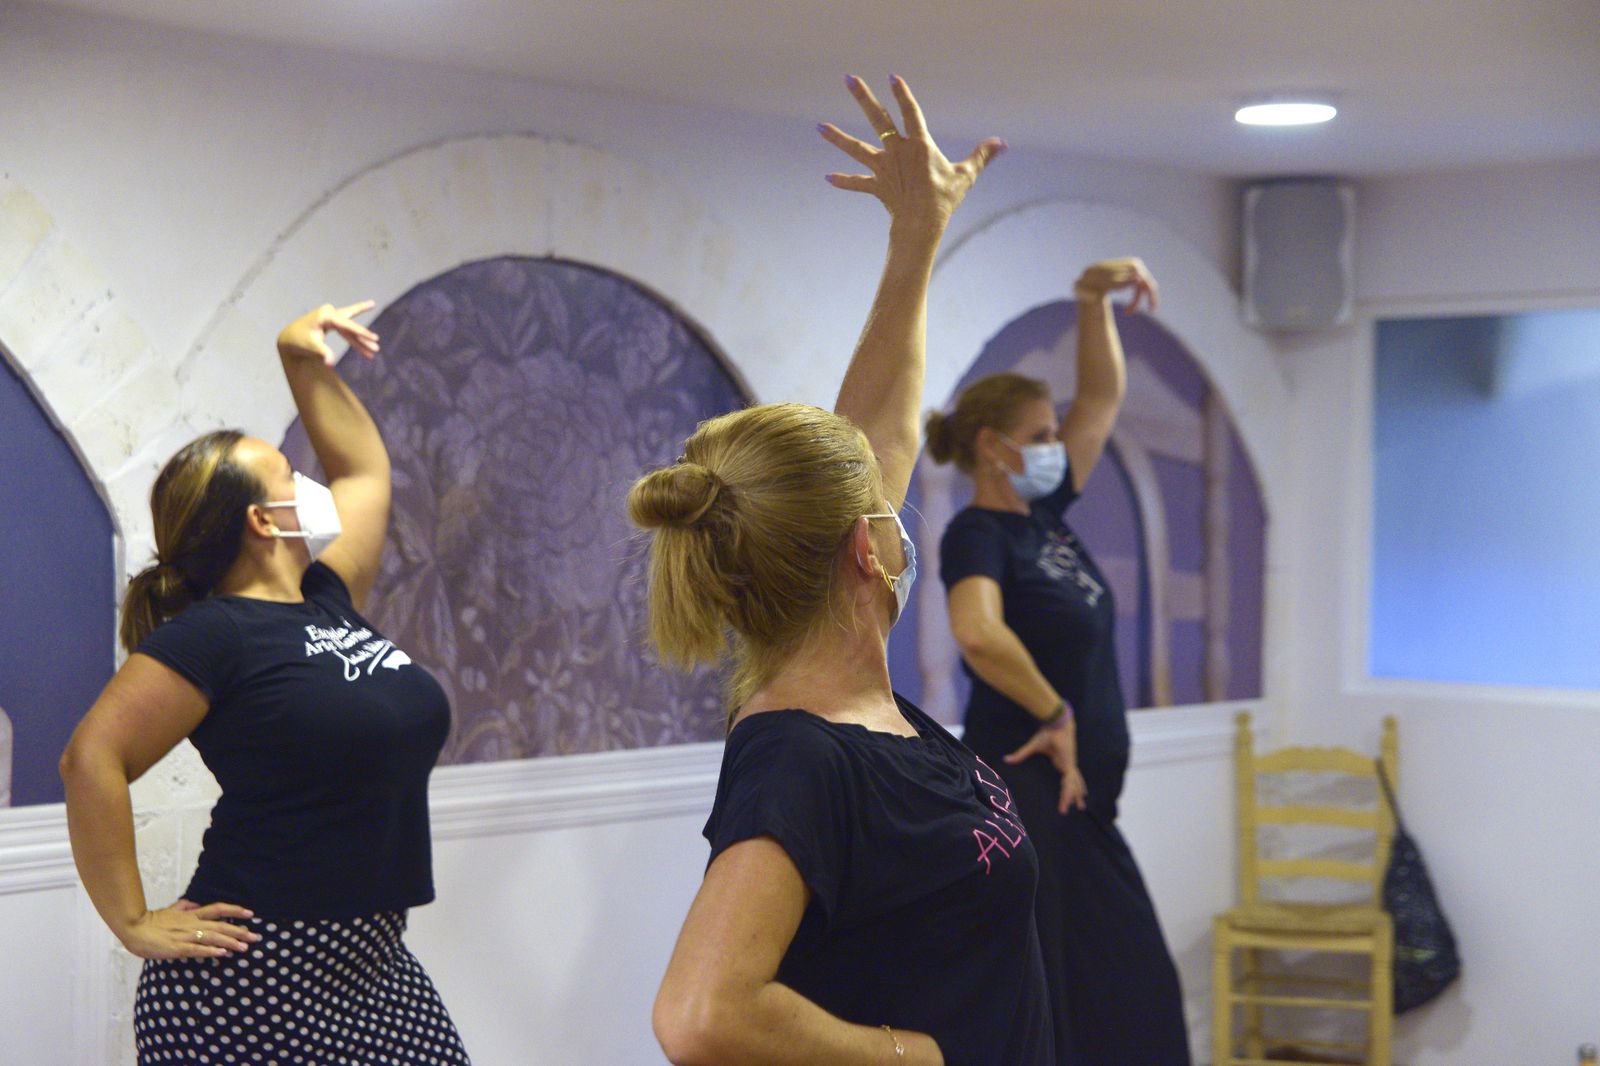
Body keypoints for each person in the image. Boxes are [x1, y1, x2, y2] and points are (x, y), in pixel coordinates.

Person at [641, 77, 1044, 1066]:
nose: (900, 504)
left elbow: (879, 432)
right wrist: (915, 1056)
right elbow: (698, 1014)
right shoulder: (800, 756)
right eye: (886, 509)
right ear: (868, 551)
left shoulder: (857, 702)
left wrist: (917, 240)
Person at [59, 301, 471, 1065]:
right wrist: (132, 920)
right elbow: (92, 758)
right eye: (289, 475)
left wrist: (300, 359)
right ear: (262, 520)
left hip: (374, 963)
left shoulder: (328, 596)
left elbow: (363, 470)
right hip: (251, 971)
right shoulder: (213, 635)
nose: (310, 482)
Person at [926, 258, 1191, 1063]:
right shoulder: (979, 533)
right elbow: (976, 632)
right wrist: (1054, 711)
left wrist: (1089, 301)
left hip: (1083, 801)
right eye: (1039, 437)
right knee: (1085, 994)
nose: (1054, 447)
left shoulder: (1044, 515)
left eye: (1051, 434)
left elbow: (1102, 401)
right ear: (991, 447)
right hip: (1030, 785)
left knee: (1123, 995)